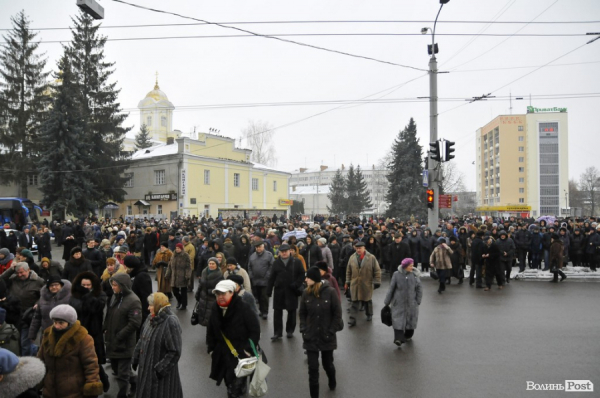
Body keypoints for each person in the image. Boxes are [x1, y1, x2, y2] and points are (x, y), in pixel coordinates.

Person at [206, 280, 261, 398]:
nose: (220, 297)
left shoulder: (243, 308)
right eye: (217, 294)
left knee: (235, 388)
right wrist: (211, 349)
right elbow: (210, 330)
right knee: (229, 383)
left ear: (231, 293)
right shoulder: (215, 308)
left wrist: (248, 349)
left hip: (240, 355)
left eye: (223, 294)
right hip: (222, 354)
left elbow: (255, 330)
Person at [38, 304, 103, 398]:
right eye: (55, 322)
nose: (57, 326)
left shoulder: (82, 338)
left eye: (61, 323)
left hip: (73, 391)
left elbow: (91, 364)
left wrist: (91, 385)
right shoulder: (48, 335)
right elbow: (40, 360)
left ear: (70, 323)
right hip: (50, 390)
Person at [299, 266, 343, 398]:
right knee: (312, 369)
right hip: (310, 336)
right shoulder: (305, 293)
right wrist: (303, 328)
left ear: (315, 279)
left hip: (326, 336)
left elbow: (337, 314)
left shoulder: (330, 292)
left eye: (308, 277)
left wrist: (331, 331)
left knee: (327, 363)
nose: (305, 279)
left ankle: (332, 380)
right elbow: (302, 313)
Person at [132, 292, 183, 398]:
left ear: (158, 306)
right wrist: (136, 357)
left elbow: (175, 352)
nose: (148, 308)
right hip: (146, 372)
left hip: (161, 379)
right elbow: (142, 338)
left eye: (150, 305)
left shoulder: (170, 322)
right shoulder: (151, 318)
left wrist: (159, 371)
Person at [70, 271, 110, 392]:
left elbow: (96, 308)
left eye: (88, 285)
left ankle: (102, 377)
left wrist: (87, 295)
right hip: (78, 331)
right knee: (80, 359)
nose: (86, 287)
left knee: (93, 359)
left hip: (93, 331)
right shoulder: (74, 296)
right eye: (83, 285)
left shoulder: (100, 295)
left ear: (92, 285)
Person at [103, 273, 142, 398]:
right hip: (113, 341)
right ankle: (135, 381)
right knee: (117, 369)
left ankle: (122, 395)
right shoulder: (116, 297)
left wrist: (120, 335)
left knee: (122, 374)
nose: (113, 287)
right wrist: (105, 328)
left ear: (123, 286)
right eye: (112, 285)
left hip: (124, 343)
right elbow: (109, 314)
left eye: (115, 285)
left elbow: (135, 323)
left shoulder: (134, 300)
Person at [0, 262, 44, 356]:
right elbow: (1, 279)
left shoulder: (38, 281)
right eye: (17, 273)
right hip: (14, 313)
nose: (19, 275)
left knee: (25, 342)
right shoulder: (13, 278)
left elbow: (44, 296)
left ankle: (28, 360)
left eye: (22, 272)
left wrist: (37, 303)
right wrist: (11, 270)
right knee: (16, 339)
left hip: (28, 314)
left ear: (28, 270)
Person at [267, 243, 305, 340]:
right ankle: (277, 333)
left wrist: (296, 284)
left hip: (291, 290)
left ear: (290, 251)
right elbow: (272, 277)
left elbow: (302, 275)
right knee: (277, 312)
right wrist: (269, 290)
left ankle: (290, 331)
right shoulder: (276, 263)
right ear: (279, 253)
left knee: (292, 312)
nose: (284, 253)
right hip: (279, 290)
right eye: (282, 252)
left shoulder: (296, 262)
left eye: (286, 251)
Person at [384, 258, 422, 347]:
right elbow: (391, 289)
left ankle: (408, 335)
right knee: (397, 320)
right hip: (398, 302)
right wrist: (387, 302)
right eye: (410, 266)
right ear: (405, 266)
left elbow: (419, 289)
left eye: (412, 265)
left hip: (412, 303)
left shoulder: (415, 275)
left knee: (410, 321)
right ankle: (398, 339)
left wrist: (417, 301)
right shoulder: (396, 275)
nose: (412, 267)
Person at [345, 241, 381, 327]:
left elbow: (377, 270)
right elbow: (348, 271)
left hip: (366, 282)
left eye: (360, 248)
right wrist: (347, 281)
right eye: (357, 248)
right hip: (355, 283)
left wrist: (377, 281)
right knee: (354, 302)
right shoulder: (352, 257)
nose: (358, 250)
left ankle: (369, 314)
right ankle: (352, 319)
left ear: (364, 248)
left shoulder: (371, 257)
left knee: (367, 300)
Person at [28, 275, 72, 344]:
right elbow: (37, 318)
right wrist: (32, 334)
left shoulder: (69, 297)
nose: (54, 287)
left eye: (56, 285)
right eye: (51, 285)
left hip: (65, 334)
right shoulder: (43, 299)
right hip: (47, 334)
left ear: (61, 285)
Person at [123, 255, 153, 327]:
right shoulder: (135, 274)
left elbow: (146, 296)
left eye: (126, 265)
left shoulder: (142, 276)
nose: (124, 267)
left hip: (140, 312)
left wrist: (144, 315)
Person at [248, 239, 274, 320]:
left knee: (264, 296)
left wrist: (267, 275)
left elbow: (272, 266)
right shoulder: (252, 256)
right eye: (257, 247)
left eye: (259, 247)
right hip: (255, 280)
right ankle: (261, 310)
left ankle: (265, 312)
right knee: (258, 296)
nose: (258, 248)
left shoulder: (269, 255)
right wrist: (251, 275)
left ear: (263, 247)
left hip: (265, 280)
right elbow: (249, 266)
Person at [195, 257, 224, 326]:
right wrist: (198, 293)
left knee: (211, 320)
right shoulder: (204, 272)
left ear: (217, 265)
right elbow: (201, 285)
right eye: (209, 263)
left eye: (213, 264)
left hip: (212, 300)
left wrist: (211, 291)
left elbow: (220, 289)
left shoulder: (219, 275)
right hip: (203, 299)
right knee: (203, 316)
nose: (211, 265)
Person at [166, 243, 192, 310]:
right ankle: (179, 300)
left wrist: (187, 275)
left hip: (183, 276)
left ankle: (184, 305)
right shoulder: (173, 255)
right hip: (174, 276)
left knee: (183, 291)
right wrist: (168, 274)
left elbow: (188, 267)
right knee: (174, 290)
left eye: (179, 248)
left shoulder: (185, 255)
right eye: (176, 248)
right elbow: (169, 265)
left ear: (181, 249)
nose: (177, 249)